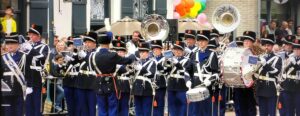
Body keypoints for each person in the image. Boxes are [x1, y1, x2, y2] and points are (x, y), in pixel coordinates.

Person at [91, 32, 135, 116]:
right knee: (112, 107)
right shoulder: (112, 55)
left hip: (99, 83)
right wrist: (132, 56)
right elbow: (126, 61)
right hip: (111, 84)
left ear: (100, 43)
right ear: (109, 43)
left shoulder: (94, 55)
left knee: (101, 108)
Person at [189, 30, 219, 116]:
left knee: (206, 111)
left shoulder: (212, 54)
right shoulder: (194, 54)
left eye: (203, 40)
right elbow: (189, 70)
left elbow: (215, 73)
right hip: (195, 85)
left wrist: (209, 80)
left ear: (207, 42)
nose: (201, 42)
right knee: (195, 111)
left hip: (207, 86)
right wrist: (188, 80)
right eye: (199, 40)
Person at [1, 33, 31, 116]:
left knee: (19, 111)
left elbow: (28, 73)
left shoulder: (24, 56)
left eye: (12, 43)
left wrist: (29, 86)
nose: (10, 46)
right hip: (6, 89)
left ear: (18, 44)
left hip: (19, 88)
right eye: (8, 43)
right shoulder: (3, 57)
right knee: (8, 112)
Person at [25, 24, 50, 116]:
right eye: (30, 34)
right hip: (28, 75)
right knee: (28, 103)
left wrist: (31, 49)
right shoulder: (27, 45)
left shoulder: (44, 46)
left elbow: (42, 58)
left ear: (38, 35)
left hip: (37, 76)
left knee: (36, 103)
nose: (30, 36)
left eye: (32, 34)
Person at [255, 34, 282, 116]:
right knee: (262, 112)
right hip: (260, 87)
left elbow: (275, 71)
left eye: (269, 45)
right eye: (265, 45)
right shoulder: (260, 57)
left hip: (270, 88)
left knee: (271, 112)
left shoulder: (277, 58)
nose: (266, 47)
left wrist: (265, 64)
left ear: (272, 46)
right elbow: (255, 71)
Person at [233, 31, 257, 116]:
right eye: (244, 40)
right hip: (239, 83)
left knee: (250, 106)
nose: (245, 42)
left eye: (248, 40)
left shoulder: (254, 53)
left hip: (250, 85)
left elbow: (253, 68)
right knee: (240, 106)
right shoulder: (238, 52)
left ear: (252, 42)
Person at [165, 41, 192, 116]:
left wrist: (177, 64)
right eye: (175, 49)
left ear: (183, 51)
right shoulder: (170, 59)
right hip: (171, 86)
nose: (177, 51)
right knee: (172, 107)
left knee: (183, 108)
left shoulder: (187, 60)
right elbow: (166, 71)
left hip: (182, 86)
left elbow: (186, 72)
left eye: (179, 49)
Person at [131, 42, 157, 116]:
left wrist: (141, 68)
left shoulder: (152, 62)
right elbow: (132, 75)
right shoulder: (137, 62)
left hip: (146, 89)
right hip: (136, 88)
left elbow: (151, 75)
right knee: (138, 110)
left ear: (148, 53)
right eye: (140, 52)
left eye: (143, 52)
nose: (141, 54)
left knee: (146, 111)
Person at [76, 32, 98, 116]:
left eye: (89, 42)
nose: (86, 44)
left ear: (94, 44)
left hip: (92, 82)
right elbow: (74, 61)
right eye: (86, 42)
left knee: (91, 107)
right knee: (83, 107)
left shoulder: (96, 53)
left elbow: (94, 63)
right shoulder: (83, 52)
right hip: (81, 82)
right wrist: (75, 51)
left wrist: (85, 56)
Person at [111, 37, 133, 116]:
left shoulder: (128, 61)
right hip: (114, 85)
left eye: (121, 52)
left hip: (124, 85)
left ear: (125, 53)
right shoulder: (112, 61)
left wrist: (120, 67)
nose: (119, 53)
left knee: (124, 106)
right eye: (118, 52)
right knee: (114, 106)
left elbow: (130, 71)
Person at [279, 37, 300, 116]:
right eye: (295, 49)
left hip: (298, 88)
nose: (296, 51)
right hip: (288, 87)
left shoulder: (293, 59)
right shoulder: (290, 58)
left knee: (298, 110)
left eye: (298, 49)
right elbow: (283, 71)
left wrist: (295, 64)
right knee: (288, 110)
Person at [150, 40, 167, 116]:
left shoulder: (166, 59)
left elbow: (167, 72)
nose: (155, 50)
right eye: (154, 49)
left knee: (160, 105)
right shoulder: (150, 60)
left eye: (157, 49)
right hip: (151, 85)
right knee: (151, 105)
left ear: (161, 49)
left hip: (161, 84)